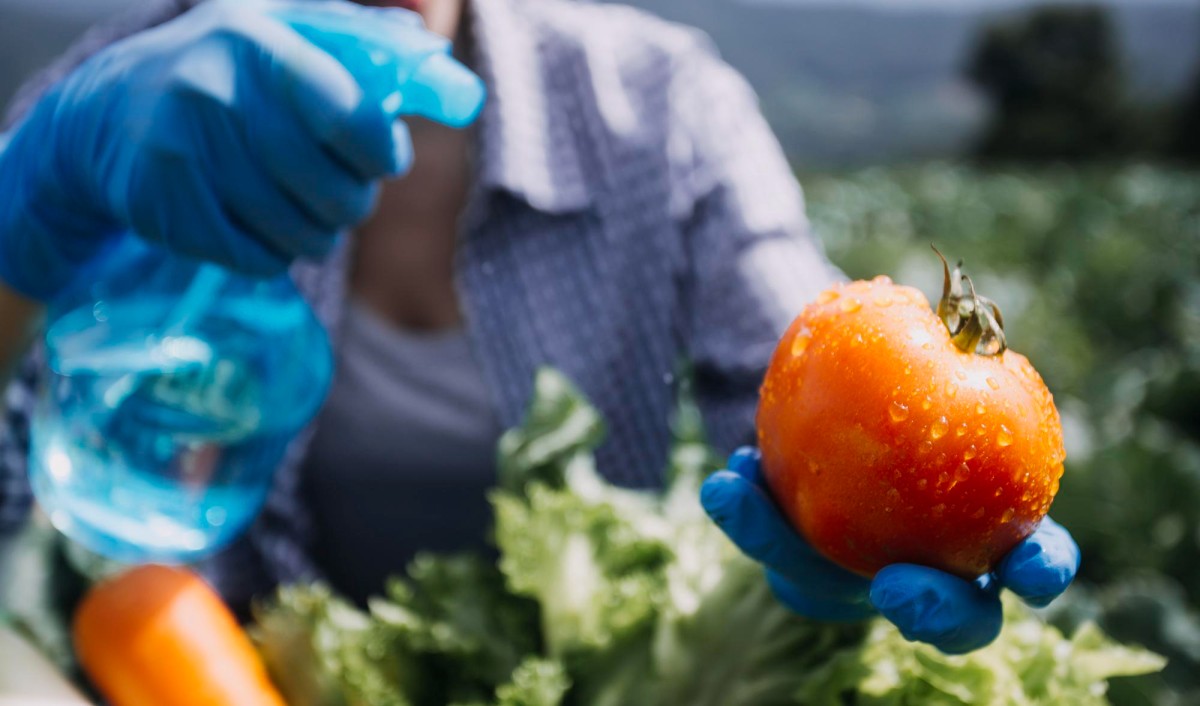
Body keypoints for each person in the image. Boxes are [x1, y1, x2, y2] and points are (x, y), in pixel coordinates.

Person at [0, 0, 1078, 654]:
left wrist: (840, 536)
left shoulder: (658, 106)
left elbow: (805, 371)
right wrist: (28, 203)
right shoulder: (108, 115)